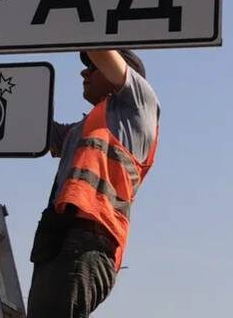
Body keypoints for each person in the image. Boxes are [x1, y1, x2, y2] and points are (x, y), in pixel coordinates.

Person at [27, 49, 160, 318]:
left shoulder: (139, 105)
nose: (84, 72)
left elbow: (98, 44)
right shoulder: (82, 128)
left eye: (93, 67)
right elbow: (30, 127)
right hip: (57, 234)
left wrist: (81, 28)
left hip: (90, 238)